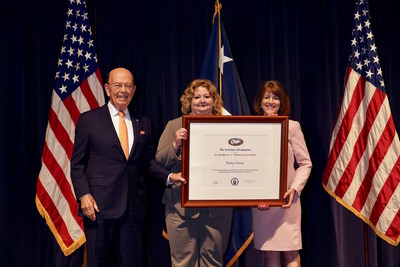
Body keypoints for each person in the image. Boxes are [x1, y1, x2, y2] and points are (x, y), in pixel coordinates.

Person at [70, 67, 185, 267]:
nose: (123, 90)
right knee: (100, 262)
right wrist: (84, 195)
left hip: (134, 208)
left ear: (133, 90)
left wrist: (169, 177)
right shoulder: (89, 120)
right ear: (107, 88)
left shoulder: (144, 123)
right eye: (117, 85)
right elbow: (77, 164)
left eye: (128, 86)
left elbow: (146, 163)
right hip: (99, 208)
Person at [155, 79, 233, 267]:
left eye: (207, 96)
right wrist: (175, 144)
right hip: (180, 208)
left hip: (217, 210)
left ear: (214, 101)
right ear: (189, 101)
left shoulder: (228, 125)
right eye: (197, 97)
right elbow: (159, 161)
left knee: (213, 261)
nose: (202, 101)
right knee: (183, 263)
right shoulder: (175, 125)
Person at [251, 80, 312, 267]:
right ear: (259, 102)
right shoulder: (250, 128)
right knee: (269, 254)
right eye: (266, 97)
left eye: (275, 97)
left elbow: (305, 163)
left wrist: (294, 189)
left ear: (281, 102)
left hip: (287, 201)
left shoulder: (292, 126)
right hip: (262, 203)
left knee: (291, 253)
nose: (271, 101)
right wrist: (254, 197)